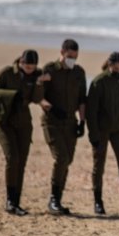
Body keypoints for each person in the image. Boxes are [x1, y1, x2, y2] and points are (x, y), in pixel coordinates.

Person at [0, 49, 50, 215]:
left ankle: (16, 202)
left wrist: (39, 83)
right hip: (3, 121)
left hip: (23, 123)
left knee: (21, 162)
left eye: (32, 67)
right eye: (27, 66)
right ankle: (9, 200)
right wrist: (12, 96)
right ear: (21, 62)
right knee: (12, 157)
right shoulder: (7, 73)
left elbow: (36, 99)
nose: (29, 70)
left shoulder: (37, 75)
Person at [86, 52, 119, 217]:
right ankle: (98, 201)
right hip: (102, 130)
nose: (118, 69)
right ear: (109, 64)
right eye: (115, 66)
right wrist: (93, 134)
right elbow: (91, 111)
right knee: (99, 166)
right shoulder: (99, 82)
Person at [40, 39, 87, 215]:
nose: (72, 60)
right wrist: (51, 108)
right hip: (52, 122)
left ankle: (57, 200)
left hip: (70, 123)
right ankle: (53, 199)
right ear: (62, 52)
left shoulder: (79, 73)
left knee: (68, 160)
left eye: (75, 57)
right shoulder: (50, 70)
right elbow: (39, 96)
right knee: (61, 158)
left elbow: (82, 99)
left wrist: (82, 121)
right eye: (69, 56)